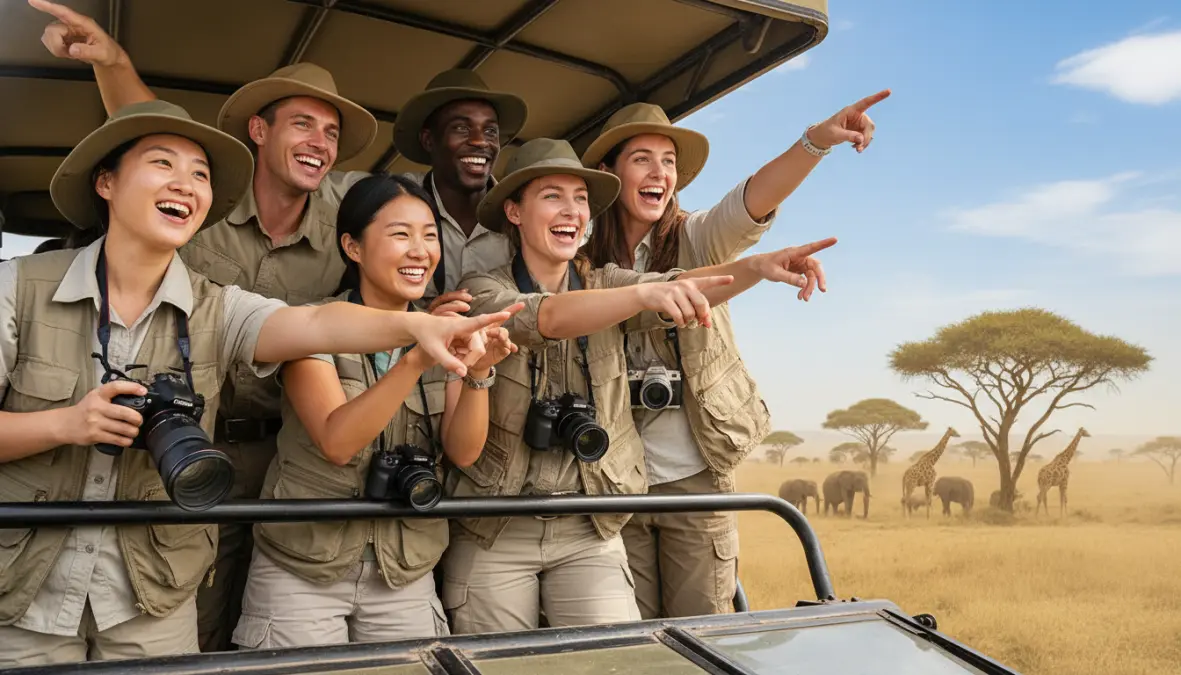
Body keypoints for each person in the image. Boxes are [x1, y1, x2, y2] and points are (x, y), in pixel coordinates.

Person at [0, 99, 514, 667]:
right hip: (23, 591)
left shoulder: (217, 306)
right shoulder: (17, 288)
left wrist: (418, 326)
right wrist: (66, 424)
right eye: (163, 164)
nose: (186, 184)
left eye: (200, 173)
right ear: (106, 182)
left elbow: (314, 322)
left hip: (151, 591)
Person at [29, 0, 387, 650]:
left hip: (292, 448)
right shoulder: (204, 193)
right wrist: (112, 61)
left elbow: (403, 233)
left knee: (278, 605)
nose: (319, 143)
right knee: (190, 596)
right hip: (190, 437)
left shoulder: (345, 209)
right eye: (302, 123)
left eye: (331, 132)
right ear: (257, 129)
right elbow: (146, 133)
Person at [446, 137, 837, 634]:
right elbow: (541, 317)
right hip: (497, 524)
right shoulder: (482, 289)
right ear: (515, 212)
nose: (571, 211)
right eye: (551, 196)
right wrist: (642, 293)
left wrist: (755, 268)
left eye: (580, 198)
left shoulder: (608, 281)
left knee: (625, 654)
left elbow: (681, 283)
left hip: (591, 520)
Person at [579, 92, 887, 619]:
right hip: (618, 481)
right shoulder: (582, 261)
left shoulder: (695, 237)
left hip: (696, 475)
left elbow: (750, 202)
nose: (660, 173)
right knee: (634, 640)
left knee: (704, 628)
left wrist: (813, 142)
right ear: (609, 172)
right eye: (641, 160)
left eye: (669, 162)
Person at [232, 174, 520, 649]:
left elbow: (463, 451)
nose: (420, 250)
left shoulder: (446, 328)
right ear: (353, 246)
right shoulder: (314, 327)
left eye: (429, 235)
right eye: (400, 234)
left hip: (404, 568)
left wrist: (478, 375)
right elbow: (338, 443)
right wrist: (416, 359)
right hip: (302, 566)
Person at [325, 68, 529, 314]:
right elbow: (311, 180)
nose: (480, 141)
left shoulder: (523, 216)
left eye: (490, 131)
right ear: (429, 140)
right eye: (462, 129)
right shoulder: (389, 199)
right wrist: (423, 320)